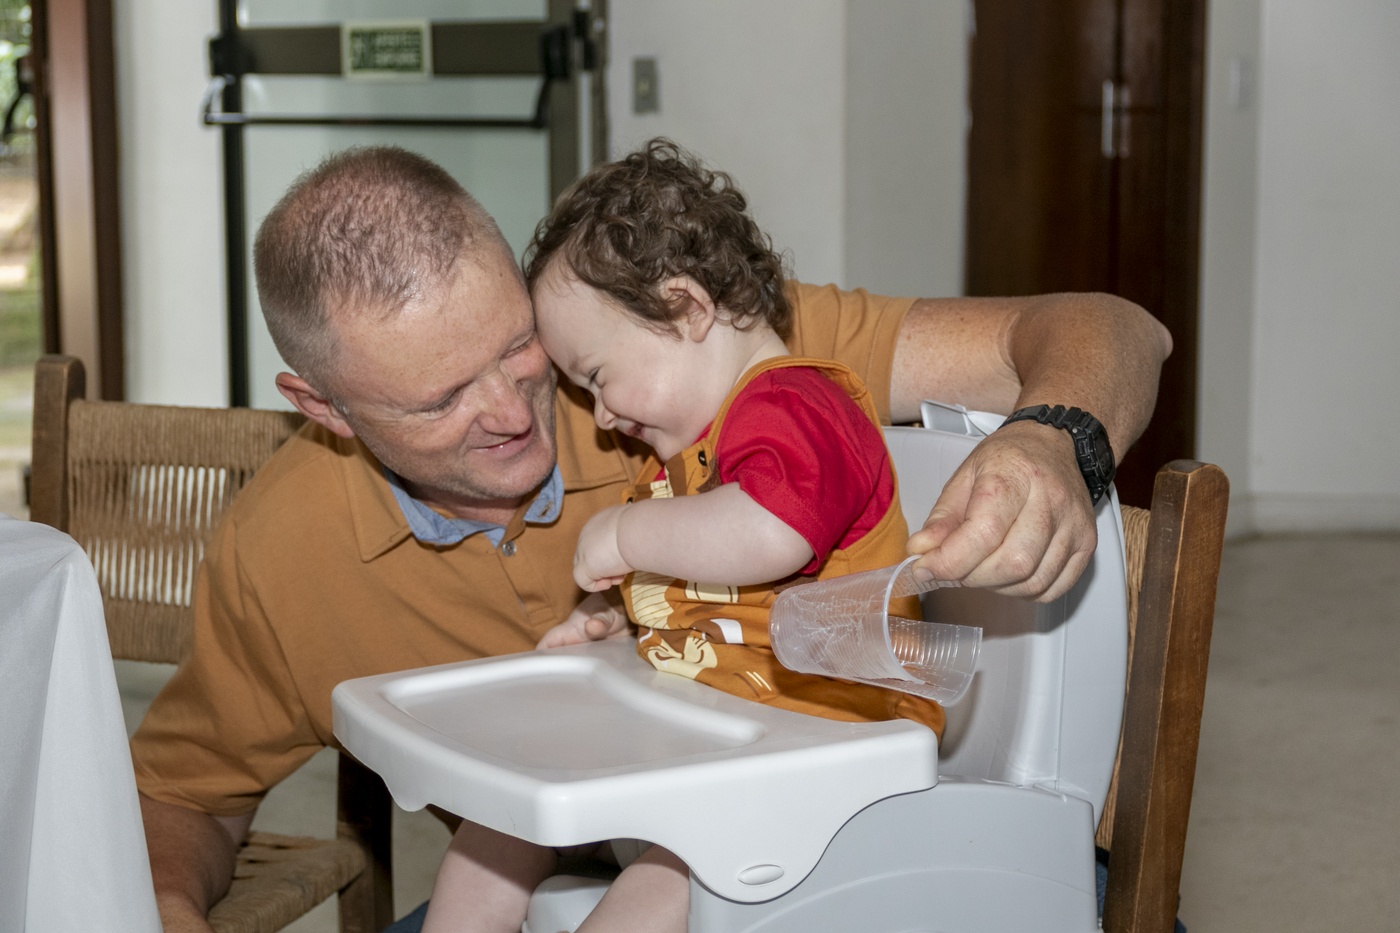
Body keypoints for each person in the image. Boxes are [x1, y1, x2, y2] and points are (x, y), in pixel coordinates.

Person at [130, 144, 1171, 933]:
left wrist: (1051, 438)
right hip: (561, 870)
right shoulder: (281, 548)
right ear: (323, 408)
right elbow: (177, 795)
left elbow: (1117, 329)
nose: (513, 412)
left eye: (517, 350)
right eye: (442, 399)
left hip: (796, 830)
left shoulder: (692, 362)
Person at [420, 139, 945, 933]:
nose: (601, 416)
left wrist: (626, 534)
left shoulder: (798, 405)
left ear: (686, 308)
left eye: (598, 378)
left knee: (669, 878)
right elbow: (713, 584)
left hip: (832, 751)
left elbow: (773, 532)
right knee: (496, 827)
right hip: (722, 741)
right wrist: (621, 615)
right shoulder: (690, 457)